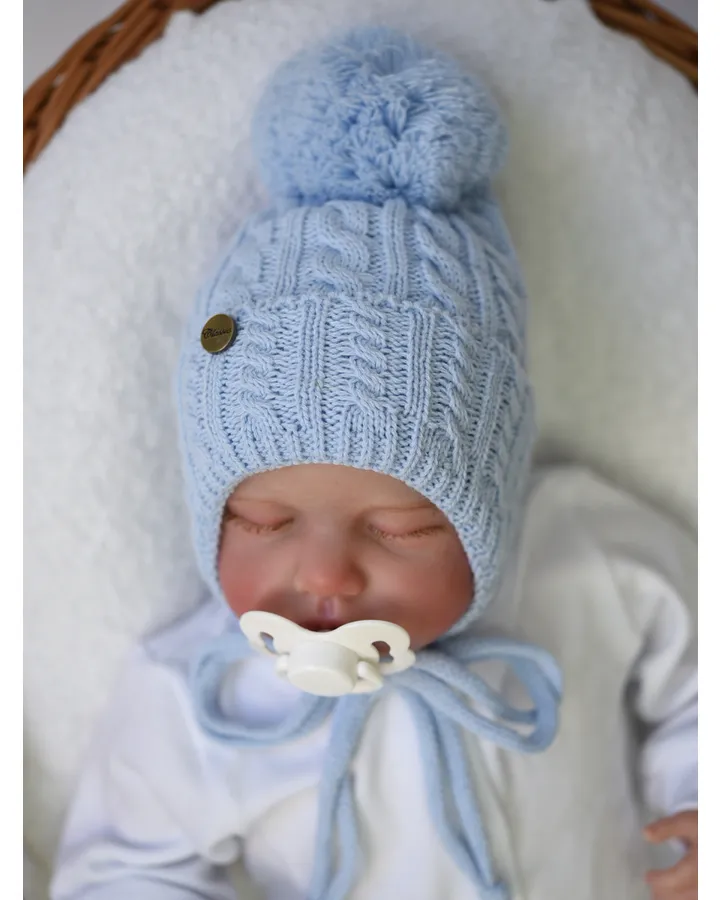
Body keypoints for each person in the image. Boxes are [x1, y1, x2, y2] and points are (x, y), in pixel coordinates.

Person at [50, 26, 697, 900]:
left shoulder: (588, 558)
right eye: (264, 521)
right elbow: (120, 867)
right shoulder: (199, 694)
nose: (324, 574)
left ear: (491, 499)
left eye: (400, 529)